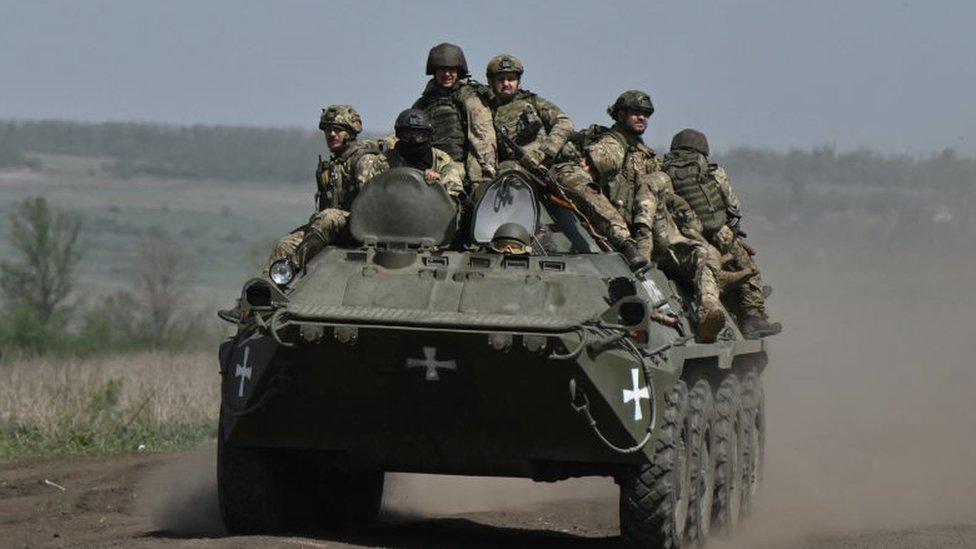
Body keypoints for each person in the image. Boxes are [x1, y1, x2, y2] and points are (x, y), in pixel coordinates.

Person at [285, 108, 463, 267]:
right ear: (398, 135)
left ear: (428, 136)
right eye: (406, 135)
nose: (412, 140)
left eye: (419, 135)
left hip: (429, 228)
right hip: (388, 226)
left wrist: (436, 184)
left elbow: (453, 199)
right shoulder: (385, 161)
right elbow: (372, 196)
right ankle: (288, 270)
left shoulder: (441, 161)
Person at [662, 129, 781, 338]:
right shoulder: (713, 172)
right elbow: (733, 207)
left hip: (683, 237)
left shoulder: (664, 170)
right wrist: (733, 233)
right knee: (746, 267)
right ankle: (753, 316)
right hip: (718, 233)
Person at [555, 90, 663, 269]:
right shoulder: (612, 143)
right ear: (621, 114)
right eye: (636, 113)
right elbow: (587, 171)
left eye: (645, 114)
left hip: (644, 227)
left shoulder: (644, 153)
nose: (642, 118)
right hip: (617, 230)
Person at [269, 105, 382, 262]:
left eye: (337, 130)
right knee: (285, 244)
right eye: (327, 130)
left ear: (350, 132)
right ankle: (271, 282)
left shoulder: (364, 161)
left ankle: (292, 266)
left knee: (327, 217)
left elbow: (372, 207)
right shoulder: (334, 164)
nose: (331, 134)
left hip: (360, 227)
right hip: (333, 226)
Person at [412, 42, 497, 191]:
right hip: (428, 166)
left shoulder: (470, 98)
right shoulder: (424, 103)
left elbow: (483, 138)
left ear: (459, 71)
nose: (447, 74)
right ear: (434, 71)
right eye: (442, 69)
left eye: (451, 70)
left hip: (460, 167)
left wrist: (486, 175)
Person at [483, 54, 573, 174]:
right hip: (517, 170)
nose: (506, 84)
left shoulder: (533, 102)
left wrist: (543, 152)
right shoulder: (486, 110)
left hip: (553, 167)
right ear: (491, 82)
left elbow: (564, 122)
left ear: (518, 81)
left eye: (511, 79)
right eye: (500, 79)